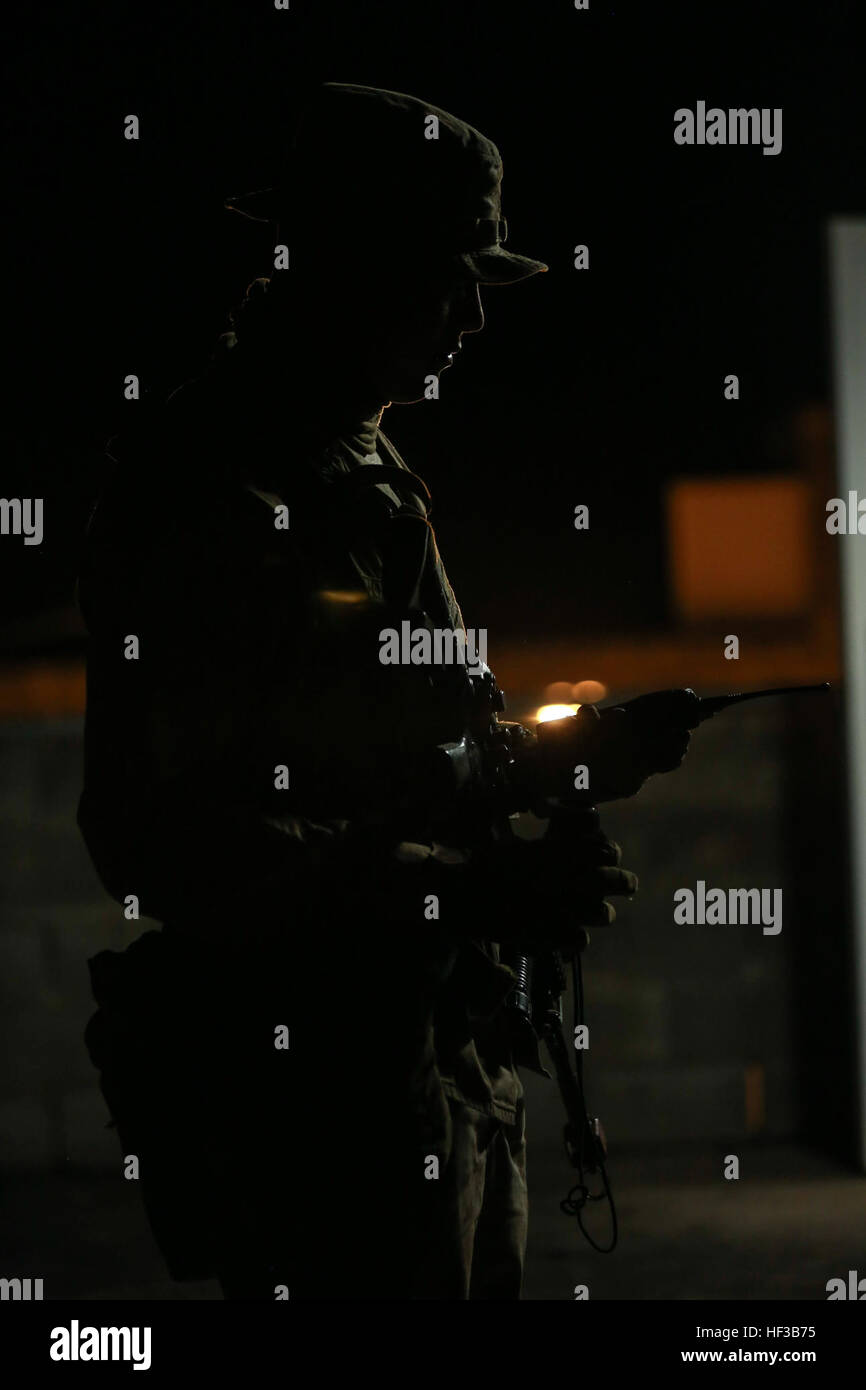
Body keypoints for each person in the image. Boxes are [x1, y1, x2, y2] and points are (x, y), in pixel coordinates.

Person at [78, 82, 688, 1300]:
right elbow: (168, 839)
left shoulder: (361, 466)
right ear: (345, 261)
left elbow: (417, 750)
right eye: (444, 273)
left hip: (434, 1070)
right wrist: (468, 887)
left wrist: (556, 759)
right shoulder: (212, 483)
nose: (470, 314)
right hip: (316, 1114)